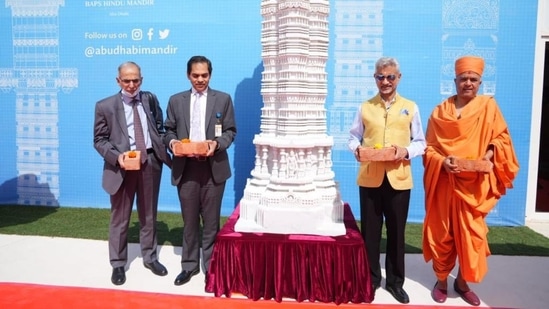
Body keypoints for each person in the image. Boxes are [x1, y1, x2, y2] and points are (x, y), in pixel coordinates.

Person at [422, 56, 519, 306]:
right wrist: (443, 162)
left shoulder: (488, 108)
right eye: (463, 78)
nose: (468, 83)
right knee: (442, 234)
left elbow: (501, 140)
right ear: (454, 81)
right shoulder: (440, 112)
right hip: (445, 184)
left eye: (473, 79)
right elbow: (429, 148)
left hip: (473, 186)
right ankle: (442, 281)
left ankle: (462, 283)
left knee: (471, 236)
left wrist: (487, 155)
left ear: (480, 82)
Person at [348, 57, 426, 304]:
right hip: (370, 178)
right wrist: (357, 150)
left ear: (399, 78)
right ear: (375, 78)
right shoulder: (365, 107)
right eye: (381, 77)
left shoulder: (410, 107)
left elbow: (421, 142)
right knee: (370, 233)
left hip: (398, 179)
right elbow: (353, 137)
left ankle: (395, 282)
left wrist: (405, 152)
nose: (385, 81)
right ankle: (370, 280)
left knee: (396, 233)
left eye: (390, 77)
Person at [93, 61, 172, 285]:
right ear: (118, 80)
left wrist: (160, 151)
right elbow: (99, 140)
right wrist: (117, 157)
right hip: (121, 167)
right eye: (126, 80)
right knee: (120, 218)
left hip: (149, 163)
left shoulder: (150, 99)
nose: (131, 84)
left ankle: (150, 257)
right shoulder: (105, 106)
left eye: (135, 80)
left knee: (149, 215)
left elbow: (158, 127)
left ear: (141, 80)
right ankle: (118, 264)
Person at [163, 55, 236, 286]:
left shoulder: (223, 99)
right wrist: (174, 144)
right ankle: (189, 266)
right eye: (196, 75)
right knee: (190, 220)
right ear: (188, 75)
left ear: (210, 75)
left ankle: (211, 267)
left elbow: (230, 131)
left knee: (211, 221)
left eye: (204, 75)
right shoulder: (176, 101)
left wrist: (217, 144)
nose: (200, 79)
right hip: (186, 169)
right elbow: (168, 131)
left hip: (213, 169)